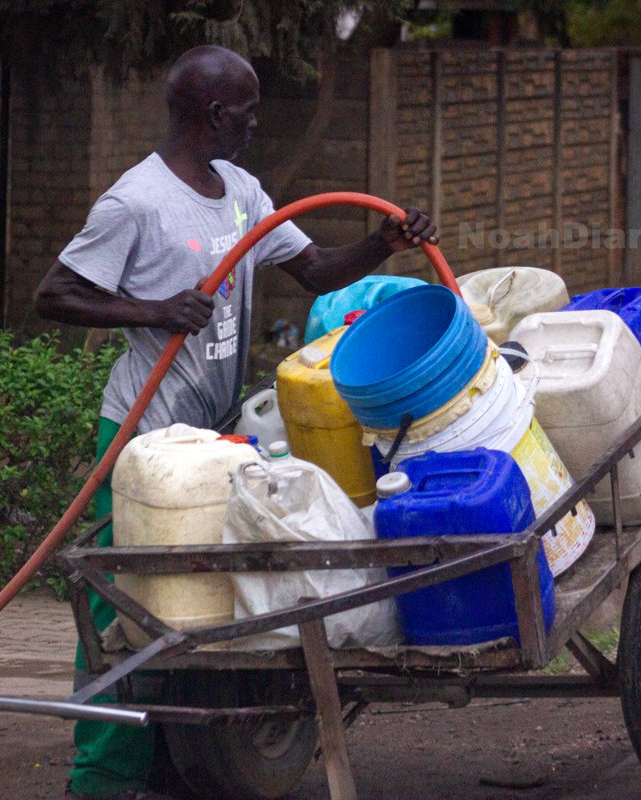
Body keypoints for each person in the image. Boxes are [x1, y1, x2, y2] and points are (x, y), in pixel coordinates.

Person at [35, 44, 437, 800]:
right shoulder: (136, 203)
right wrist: (155, 311)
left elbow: (314, 270)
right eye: (248, 111)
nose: (256, 123)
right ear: (214, 115)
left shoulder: (244, 191)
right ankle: (100, 780)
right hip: (140, 439)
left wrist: (385, 242)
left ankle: (171, 758)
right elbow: (53, 295)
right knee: (118, 606)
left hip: (214, 442)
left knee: (200, 603)